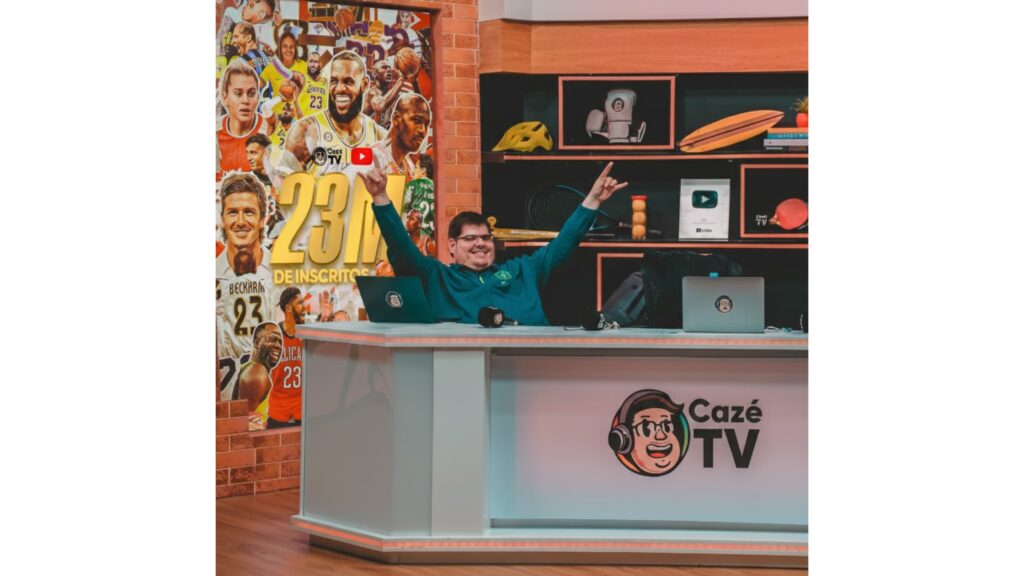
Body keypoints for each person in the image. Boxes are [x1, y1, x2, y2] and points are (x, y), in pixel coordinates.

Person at [358, 162, 629, 325]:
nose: (480, 244)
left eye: (486, 238)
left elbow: (563, 244)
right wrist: (381, 197)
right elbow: (402, 250)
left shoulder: (523, 270)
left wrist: (593, 201)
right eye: (470, 238)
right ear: (452, 246)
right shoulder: (437, 277)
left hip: (535, 361)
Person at [272, 50, 388, 178]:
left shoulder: (379, 136)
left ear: (364, 84)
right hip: (313, 123)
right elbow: (281, 186)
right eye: (334, 81)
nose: (339, 88)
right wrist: (273, 57)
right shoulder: (302, 131)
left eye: (348, 81)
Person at [216, 172, 275, 401]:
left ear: (262, 219)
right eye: (232, 212)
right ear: (222, 219)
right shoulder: (213, 274)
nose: (240, 221)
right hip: (225, 407)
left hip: (276, 405)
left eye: (249, 212)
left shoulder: (282, 273)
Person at [217, 58, 267, 175]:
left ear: (258, 97)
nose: (245, 100)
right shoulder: (215, 132)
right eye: (238, 93)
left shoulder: (269, 130)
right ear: (225, 97)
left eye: (251, 93)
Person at [268, 287, 305, 428]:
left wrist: (326, 319)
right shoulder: (273, 336)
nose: (304, 307)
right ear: (288, 308)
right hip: (278, 409)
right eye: (300, 303)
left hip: (302, 408)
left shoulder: (308, 334)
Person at [237, 321, 284, 430]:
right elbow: (241, 425)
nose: (278, 346)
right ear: (256, 343)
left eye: (280, 342)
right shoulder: (259, 373)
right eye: (272, 339)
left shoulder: (251, 368)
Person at [373, 92, 430, 176]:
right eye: (417, 120)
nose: (423, 131)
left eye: (426, 125)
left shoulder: (409, 166)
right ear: (396, 118)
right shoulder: (375, 159)